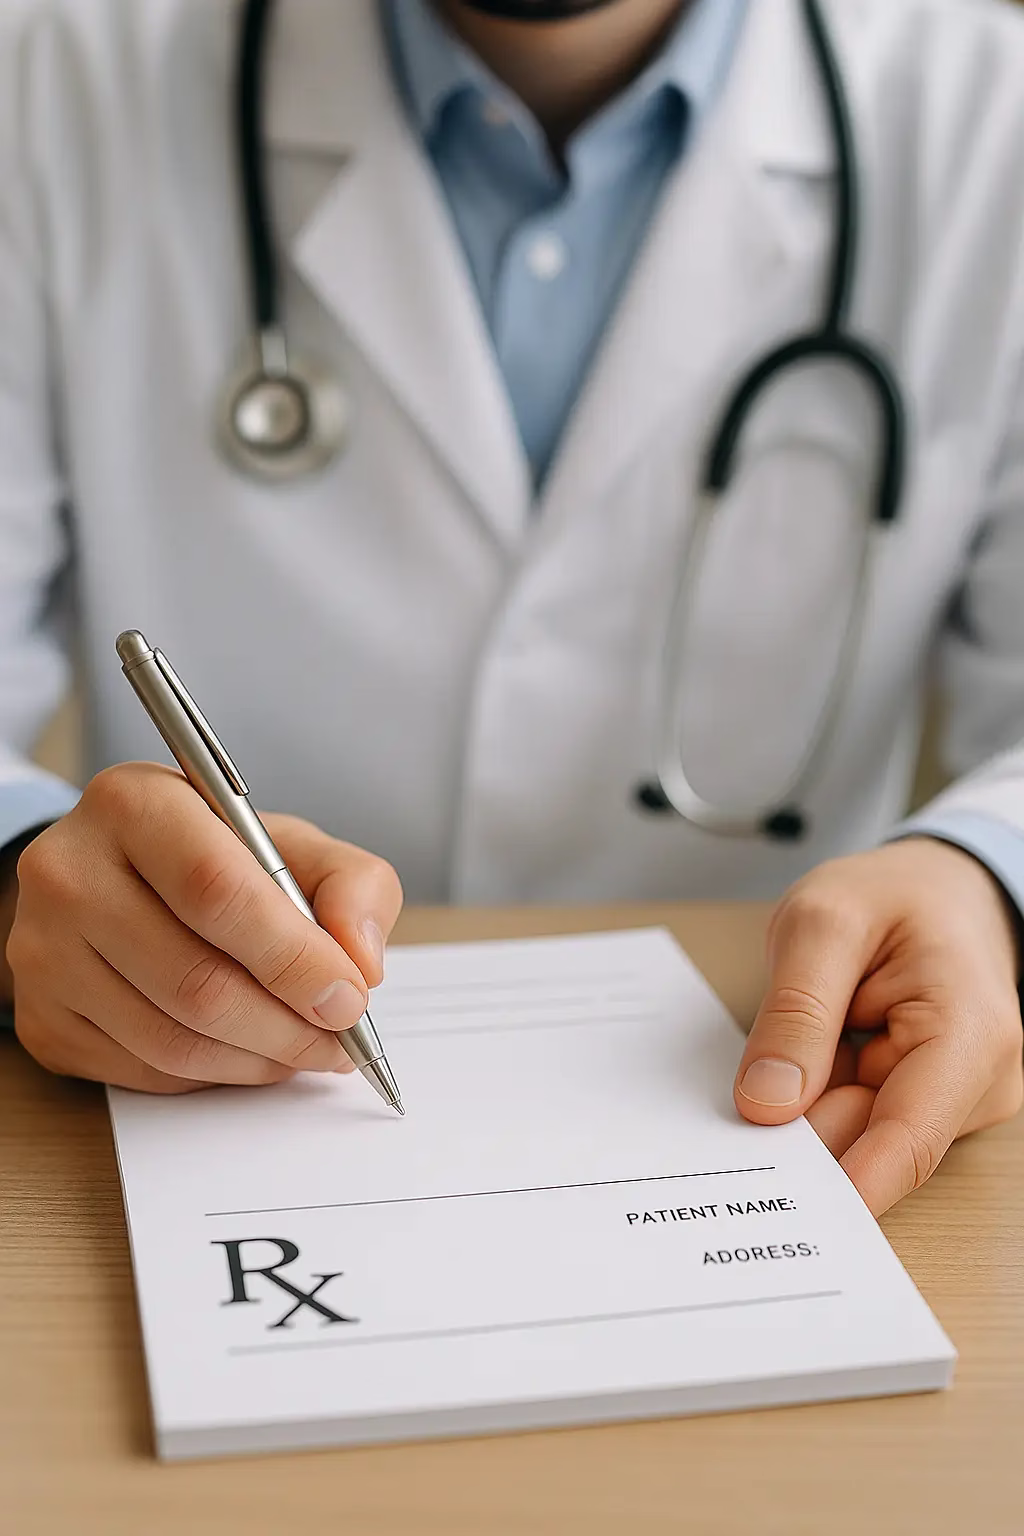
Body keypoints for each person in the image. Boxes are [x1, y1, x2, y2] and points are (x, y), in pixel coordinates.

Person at [1, 0, 1023, 1216]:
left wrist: (990, 883)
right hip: (191, 1133)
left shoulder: (989, 117)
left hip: (778, 1084)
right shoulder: (51, 74)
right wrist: (17, 880)